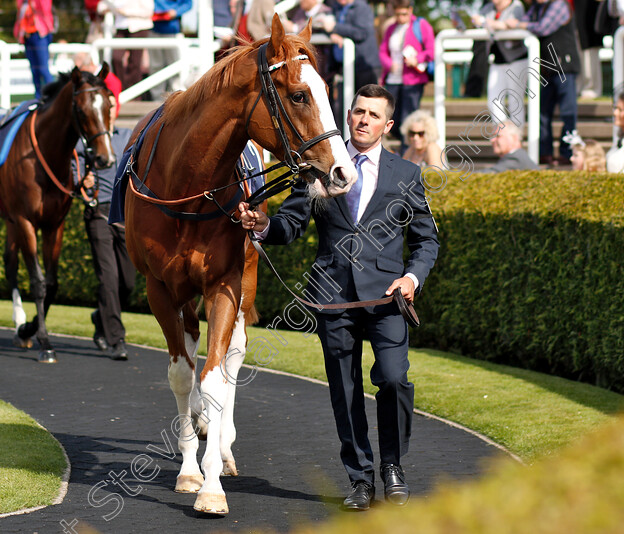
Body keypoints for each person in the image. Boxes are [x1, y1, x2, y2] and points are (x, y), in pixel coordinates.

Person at [238, 84, 439, 510]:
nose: (364, 119)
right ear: (348, 116)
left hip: (388, 299)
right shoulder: (317, 168)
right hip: (333, 298)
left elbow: (426, 242)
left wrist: (411, 278)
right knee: (344, 391)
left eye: (373, 114)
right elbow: (289, 227)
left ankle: (393, 467)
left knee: (393, 379)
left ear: (386, 125)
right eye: (358, 111)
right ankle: (361, 479)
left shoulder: (407, 175)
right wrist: (261, 225)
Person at [72, 66, 136, 361]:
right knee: (108, 279)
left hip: (124, 219)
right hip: (97, 213)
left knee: (128, 283)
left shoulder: (128, 138)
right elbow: (72, 172)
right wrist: (80, 180)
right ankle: (116, 339)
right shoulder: (85, 145)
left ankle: (101, 318)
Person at [504, 0, 580, 166]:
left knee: (567, 113)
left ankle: (567, 154)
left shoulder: (559, 4)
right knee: (542, 113)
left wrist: (518, 24)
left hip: (564, 67)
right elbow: (529, 23)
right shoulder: (537, 8)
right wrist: (519, 24)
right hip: (546, 68)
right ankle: (544, 153)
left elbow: (543, 27)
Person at [379, 0, 435, 154]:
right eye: (397, 14)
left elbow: (431, 49)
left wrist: (418, 58)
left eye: (404, 13)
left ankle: (407, 156)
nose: (401, 17)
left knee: (407, 120)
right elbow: (383, 51)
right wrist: (389, 64)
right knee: (392, 120)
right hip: (393, 80)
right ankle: (407, 151)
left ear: (410, 10)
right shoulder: (391, 28)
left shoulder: (421, 25)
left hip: (413, 80)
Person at [319, 0, 381, 123]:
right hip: (344, 68)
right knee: (345, 109)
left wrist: (335, 28)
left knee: (368, 107)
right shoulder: (336, 8)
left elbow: (361, 33)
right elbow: (328, 27)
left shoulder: (362, 7)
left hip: (364, 67)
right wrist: (332, 33)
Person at [471, 0, 527, 126]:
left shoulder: (516, 6)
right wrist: (475, 21)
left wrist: (486, 22)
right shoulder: (489, 8)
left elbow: (510, 25)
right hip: (497, 59)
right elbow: (479, 23)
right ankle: (502, 135)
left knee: (515, 102)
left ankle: (516, 137)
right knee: (493, 101)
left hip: (516, 59)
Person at [99, 0, 154, 92]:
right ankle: (121, 90)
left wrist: (126, 12)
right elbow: (101, 6)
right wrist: (109, 9)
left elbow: (148, 11)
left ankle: (135, 94)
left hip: (139, 28)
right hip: (120, 28)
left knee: (135, 63)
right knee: (116, 58)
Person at [150, 0, 192, 100]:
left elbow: (188, 4)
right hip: (153, 28)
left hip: (172, 30)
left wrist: (176, 12)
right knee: (155, 65)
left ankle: (176, 96)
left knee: (174, 65)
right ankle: (157, 98)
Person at [14, 0, 55, 99]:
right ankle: (38, 98)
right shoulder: (23, 3)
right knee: (34, 71)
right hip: (27, 37)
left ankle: (53, 95)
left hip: (40, 35)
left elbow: (44, 8)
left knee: (43, 69)